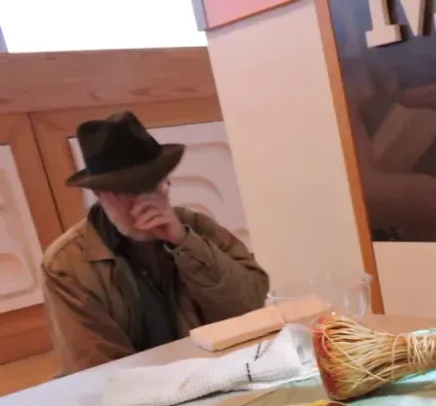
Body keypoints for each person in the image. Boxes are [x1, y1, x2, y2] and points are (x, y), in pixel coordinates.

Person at [41, 111, 270, 375]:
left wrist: (183, 241)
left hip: (215, 374)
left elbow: (250, 305)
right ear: (99, 195)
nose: (143, 202)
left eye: (153, 185)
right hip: (139, 395)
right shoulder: (66, 264)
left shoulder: (197, 228)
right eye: (126, 191)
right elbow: (97, 371)